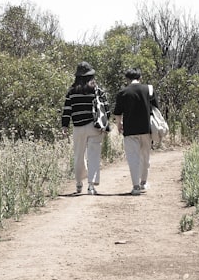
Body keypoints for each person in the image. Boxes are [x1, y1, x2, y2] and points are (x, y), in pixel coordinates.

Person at [61, 61, 109, 195]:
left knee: (78, 156)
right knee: (93, 156)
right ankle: (91, 186)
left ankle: (78, 183)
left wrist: (64, 126)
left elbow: (67, 110)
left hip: (78, 128)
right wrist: (104, 124)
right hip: (94, 127)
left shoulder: (71, 91)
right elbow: (106, 108)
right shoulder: (97, 90)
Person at [111, 67, 158, 195]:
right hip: (145, 129)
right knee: (145, 156)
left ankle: (135, 186)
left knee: (133, 158)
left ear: (127, 79)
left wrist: (119, 124)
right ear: (140, 77)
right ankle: (144, 182)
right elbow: (156, 109)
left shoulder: (123, 93)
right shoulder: (148, 89)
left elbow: (117, 112)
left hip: (130, 130)